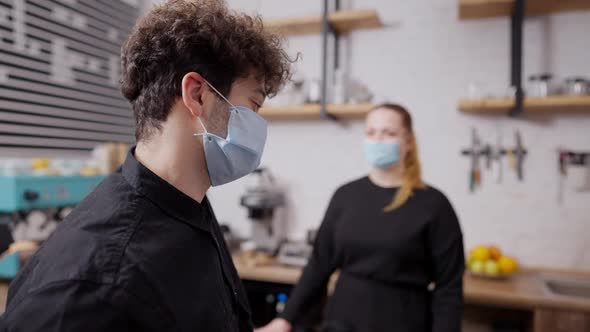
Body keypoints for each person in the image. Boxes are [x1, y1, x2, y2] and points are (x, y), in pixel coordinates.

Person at [0, 0, 291, 331]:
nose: (257, 122)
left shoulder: (189, 204)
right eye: (254, 104)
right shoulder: (93, 285)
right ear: (196, 94)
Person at [257, 104, 465, 332]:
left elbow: (449, 289)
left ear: (408, 142)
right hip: (341, 323)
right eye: (371, 132)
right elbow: (319, 264)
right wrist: (285, 319)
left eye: (389, 133)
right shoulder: (345, 196)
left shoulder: (435, 205)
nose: (378, 140)